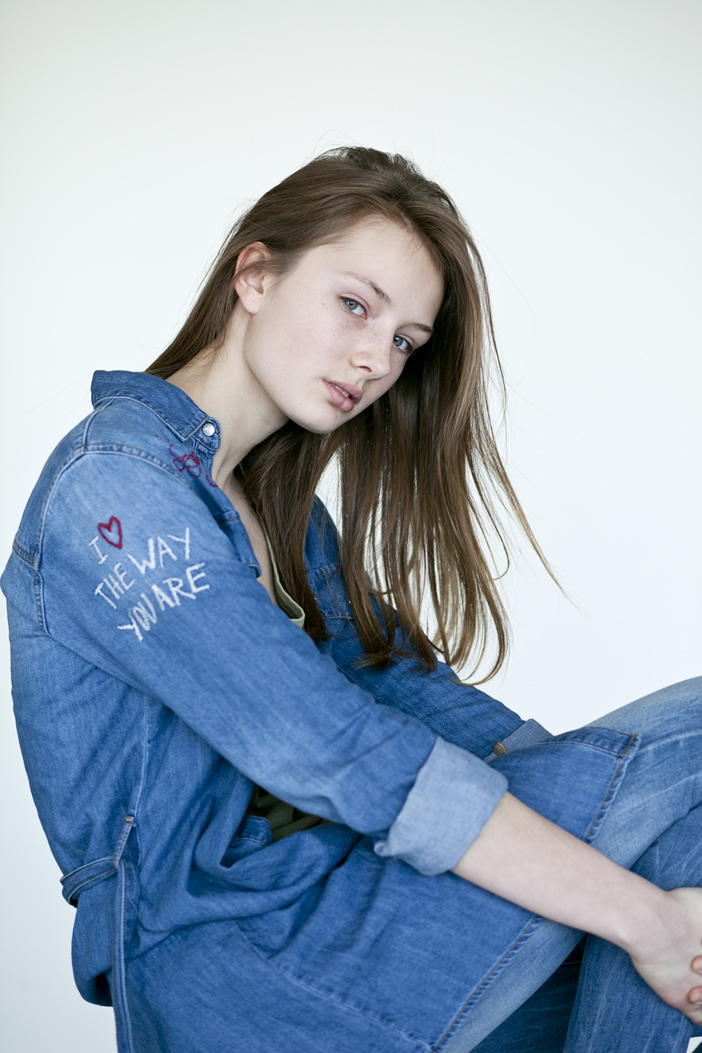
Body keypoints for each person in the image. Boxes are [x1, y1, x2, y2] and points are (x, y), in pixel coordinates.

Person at [2, 146, 701, 1053]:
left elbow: (403, 686)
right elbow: (327, 744)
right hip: (241, 961)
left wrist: (583, 817)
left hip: (351, 908)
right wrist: (638, 913)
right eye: (355, 305)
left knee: (682, 851)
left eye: (406, 340)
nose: (376, 359)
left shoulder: (281, 509)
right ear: (256, 275)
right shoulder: (114, 491)